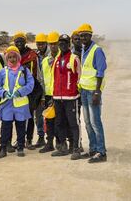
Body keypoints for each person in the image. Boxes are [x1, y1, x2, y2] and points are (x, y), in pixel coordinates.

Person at [0, 46, 34, 159]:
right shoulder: (3, 72)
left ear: (18, 57)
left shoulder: (25, 71)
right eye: (9, 57)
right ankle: (3, 148)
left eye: (14, 57)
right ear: (7, 58)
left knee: (21, 126)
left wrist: (20, 92)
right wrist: (4, 93)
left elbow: (30, 85)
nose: (12, 59)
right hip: (7, 104)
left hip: (21, 105)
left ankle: (20, 147)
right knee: (5, 126)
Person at [77, 24, 108, 163]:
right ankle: (93, 149)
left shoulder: (97, 50)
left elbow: (100, 72)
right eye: (81, 35)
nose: (83, 37)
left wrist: (97, 92)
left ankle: (101, 152)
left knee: (95, 122)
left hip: (92, 92)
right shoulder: (84, 49)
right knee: (88, 122)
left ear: (91, 35)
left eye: (85, 35)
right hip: (84, 90)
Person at [51, 34, 82, 160]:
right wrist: (53, 95)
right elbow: (54, 78)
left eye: (64, 42)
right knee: (59, 123)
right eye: (60, 43)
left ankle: (76, 148)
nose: (62, 45)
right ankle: (63, 147)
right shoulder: (57, 59)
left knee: (73, 123)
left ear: (69, 44)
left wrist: (77, 94)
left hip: (71, 97)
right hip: (58, 97)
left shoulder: (74, 58)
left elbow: (79, 76)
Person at [13, 31, 44, 150]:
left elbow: (38, 74)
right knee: (18, 116)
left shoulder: (32, 55)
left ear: (25, 42)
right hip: (17, 91)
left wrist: (40, 94)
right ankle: (19, 139)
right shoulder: (12, 55)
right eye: (17, 41)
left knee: (30, 116)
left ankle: (29, 140)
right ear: (14, 43)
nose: (19, 43)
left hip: (31, 90)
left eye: (21, 40)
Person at [38, 31, 60, 153]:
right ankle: (49, 143)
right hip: (47, 95)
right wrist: (42, 97)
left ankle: (60, 143)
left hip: (59, 95)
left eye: (55, 43)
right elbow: (42, 80)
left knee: (59, 120)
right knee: (49, 120)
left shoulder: (62, 58)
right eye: (51, 44)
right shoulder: (45, 61)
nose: (53, 46)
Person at [34, 32, 50, 148]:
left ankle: (51, 139)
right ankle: (41, 137)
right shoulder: (36, 55)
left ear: (46, 43)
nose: (40, 46)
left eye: (42, 44)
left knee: (51, 116)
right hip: (39, 90)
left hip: (50, 90)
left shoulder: (53, 55)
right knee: (38, 115)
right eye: (38, 44)